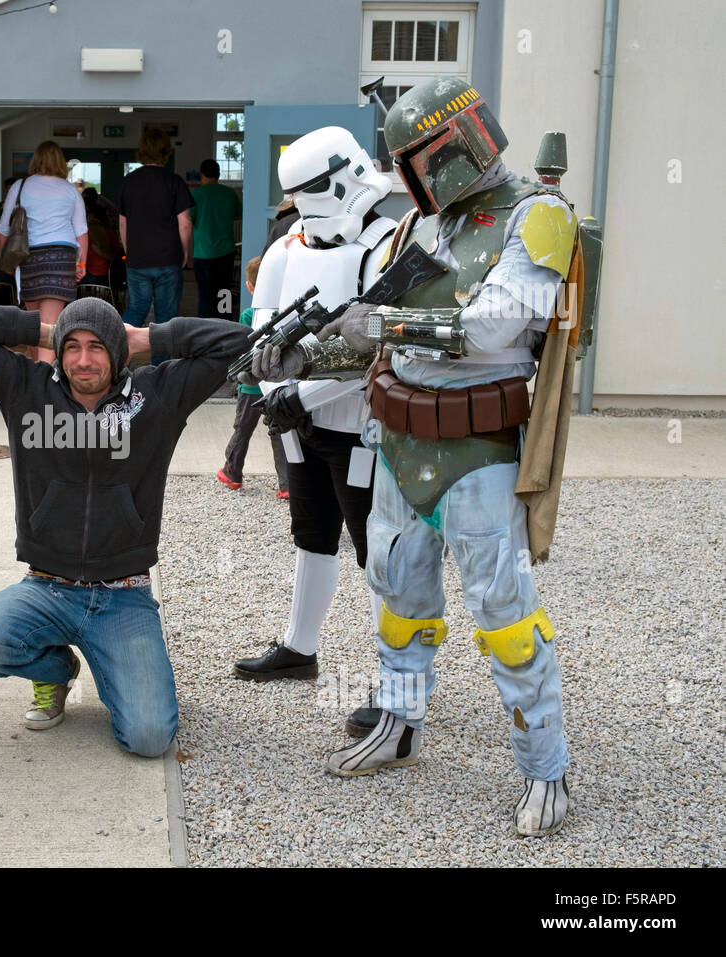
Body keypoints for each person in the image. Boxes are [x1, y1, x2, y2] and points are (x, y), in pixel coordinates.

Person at [271, 79, 581, 837]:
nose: (404, 177)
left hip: (477, 446)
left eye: (414, 160)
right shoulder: (425, 221)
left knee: (504, 612)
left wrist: (385, 324)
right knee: (399, 593)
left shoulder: (537, 217)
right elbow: (373, 320)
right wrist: (299, 355)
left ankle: (547, 767)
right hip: (398, 436)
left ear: (449, 147)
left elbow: (490, 329)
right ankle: (401, 723)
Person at [0, 298, 250, 756]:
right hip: (47, 587)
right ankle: (55, 670)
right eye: (72, 347)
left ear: (119, 351)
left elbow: (240, 341)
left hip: (122, 596)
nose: (83, 360)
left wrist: (149, 338)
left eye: (97, 347)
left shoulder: (158, 396)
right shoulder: (24, 390)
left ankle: (121, 672)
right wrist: (49, 330)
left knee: (148, 739)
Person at [230, 127, 396, 686]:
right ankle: (300, 648)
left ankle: (394, 676)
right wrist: (279, 389)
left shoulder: (386, 246)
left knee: (378, 553)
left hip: (362, 423)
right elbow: (261, 336)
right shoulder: (284, 249)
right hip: (297, 422)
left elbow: (376, 350)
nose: (308, 208)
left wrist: (296, 393)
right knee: (311, 534)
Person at [0, 143, 87, 363]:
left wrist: (7, 262)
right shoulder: (70, 191)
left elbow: (2, 228)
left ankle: (40, 376)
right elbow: (81, 233)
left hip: (30, 258)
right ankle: (44, 379)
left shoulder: (20, 186)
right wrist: (81, 265)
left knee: (35, 323)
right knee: (49, 325)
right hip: (62, 258)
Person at [216, 255, 289, 498]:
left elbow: (243, 349)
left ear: (249, 287)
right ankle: (286, 485)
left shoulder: (249, 315)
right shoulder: (283, 313)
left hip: (250, 389)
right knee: (278, 432)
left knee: (242, 430)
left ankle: (232, 472)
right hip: (276, 385)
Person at [118, 128, 194, 331]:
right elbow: (185, 222)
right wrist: (185, 251)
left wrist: (129, 250)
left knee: (135, 309)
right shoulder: (174, 181)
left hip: (138, 258)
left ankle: (115, 355)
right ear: (166, 151)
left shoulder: (129, 181)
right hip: (168, 257)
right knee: (166, 317)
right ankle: (161, 363)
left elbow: (123, 223)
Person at [190, 158, 242, 319]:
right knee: (224, 290)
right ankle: (224, 322)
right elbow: (238, 214)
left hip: (203, 253)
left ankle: (205, 325)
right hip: (225, 251)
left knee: (205, 294)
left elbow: (189, 219)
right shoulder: (229, 194)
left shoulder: (196, 195)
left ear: (201, 174)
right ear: (218, 174)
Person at [81, 186, 121, 288]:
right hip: (109, 274)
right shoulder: (107, 228)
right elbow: (117, 250)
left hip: (95, 274)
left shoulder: (91, 228)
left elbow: (94, 249)